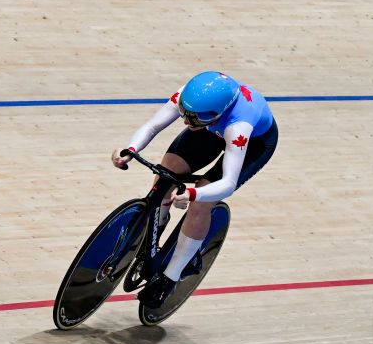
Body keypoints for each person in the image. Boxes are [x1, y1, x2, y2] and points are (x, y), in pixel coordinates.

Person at [111, 71, 278, 308]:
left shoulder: (239, 126)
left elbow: (228, 183)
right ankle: (155, 230)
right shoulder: (191, 99)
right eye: (184, 115)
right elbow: (152, 126)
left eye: (193, 119)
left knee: (203, 199)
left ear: (215, 114)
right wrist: (130, 149)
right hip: (210, 130)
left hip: (254, 144)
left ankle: (171, 277)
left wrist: (193, 194)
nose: (186, 123)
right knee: (166, 172)